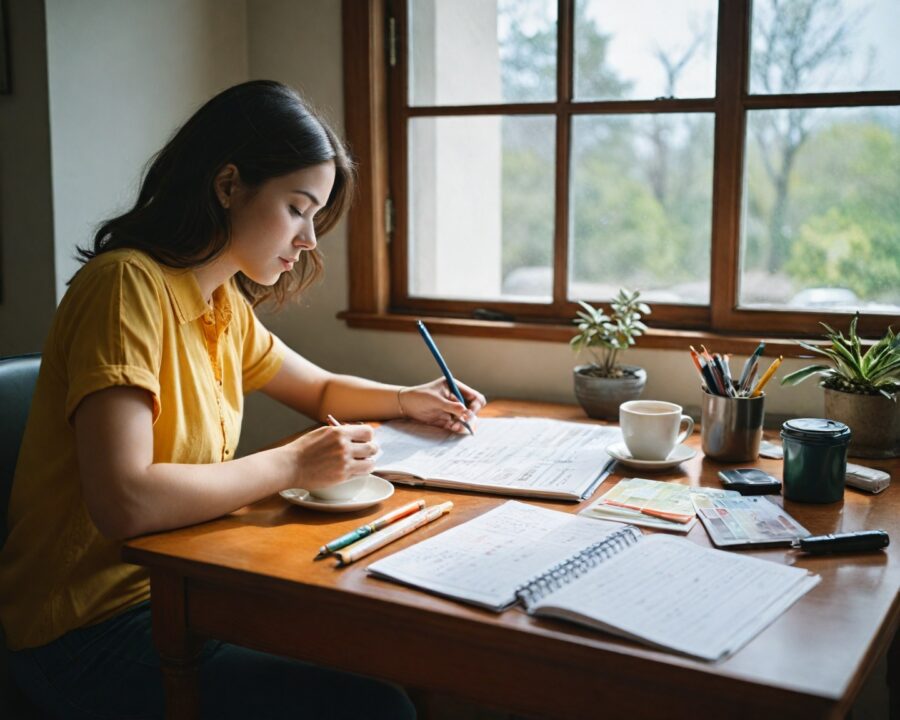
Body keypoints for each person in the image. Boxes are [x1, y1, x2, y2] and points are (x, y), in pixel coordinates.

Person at [0, 79, 485, 719]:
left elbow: (318, 389)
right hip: (87, 628)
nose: (310, 238)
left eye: (316, 216)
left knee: (401, 657)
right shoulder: (125, 289)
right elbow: (124, 500)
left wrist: (406, 399)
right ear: (228, 185)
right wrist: (290, 465)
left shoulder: (220, 302)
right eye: (298, 208)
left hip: (188, 585)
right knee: (377, 708)